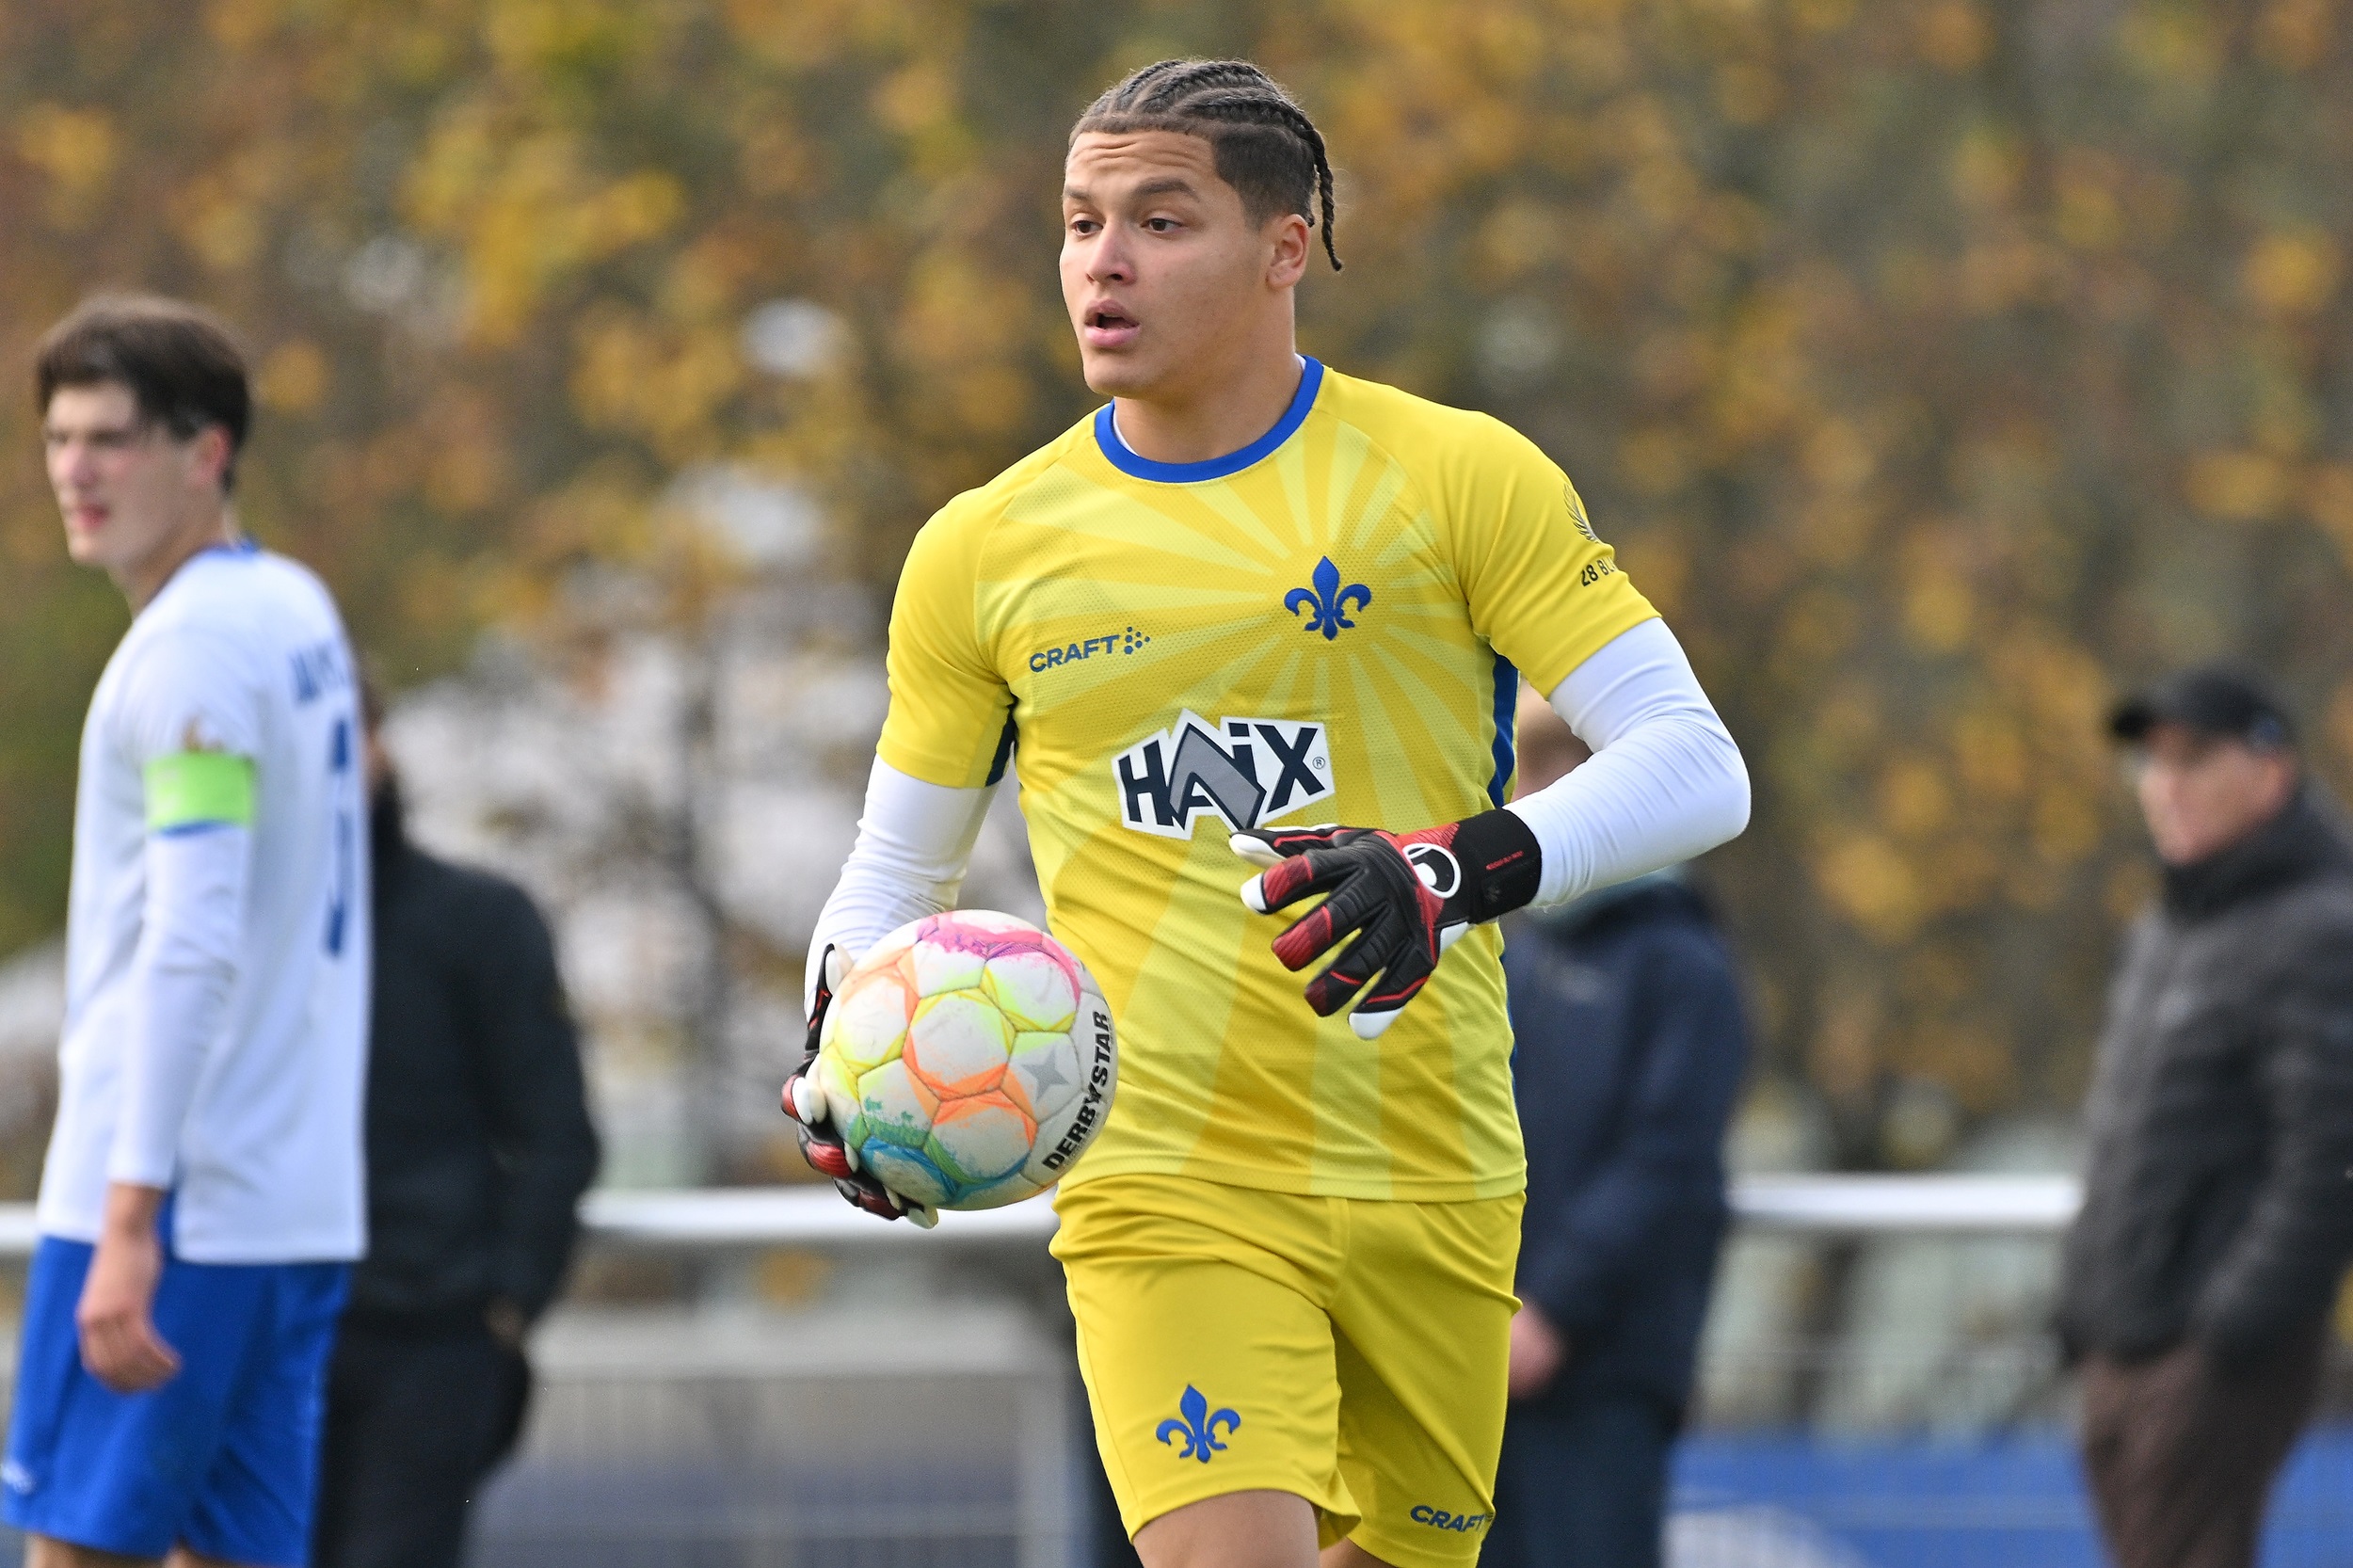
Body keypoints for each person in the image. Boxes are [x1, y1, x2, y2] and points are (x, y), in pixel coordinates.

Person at [782, 60, 1749, 1568]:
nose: (1104, 260)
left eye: (1161, 221)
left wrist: (1444, 873)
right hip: (1163, 1178)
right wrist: (839, 1056)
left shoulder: (1455, 477)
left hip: (1436, 1169)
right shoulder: (982, 550)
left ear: (1285, 248)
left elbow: (1696, 763)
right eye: (1080, 220)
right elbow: (891, 871)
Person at [6, 296, 370, 1567]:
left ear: (205, 450)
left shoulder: (192, 654)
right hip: (293, 1205)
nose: (76, 471)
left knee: (75, 1555)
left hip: (176, 1212)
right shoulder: (291, 606)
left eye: (110, 438)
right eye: (59, 439)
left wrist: (126, 1217)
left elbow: (194, 939)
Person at [2058, 663, 2353, 1568]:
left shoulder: (2318, 926)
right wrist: (2081, 1307)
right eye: (2150, 764)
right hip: (2123, 1342)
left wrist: (2230, 1333)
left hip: (2210, 1357)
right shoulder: (2167, 928)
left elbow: (2329, 1155)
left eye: (2192, 759)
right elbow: (2123, 1138)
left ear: (2271, 772)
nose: (2164, 786)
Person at [311, 689, 600, 1568]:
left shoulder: (477, 921)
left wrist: (508, 1304)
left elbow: (558, 1133)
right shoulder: (235, 932)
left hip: (431, 1336)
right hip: (269, 1327)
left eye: (345, 733)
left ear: (380, 743)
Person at [1481, 686, 1748, 1568]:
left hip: (1601, 1372)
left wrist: (1551, 1309)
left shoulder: (1682, 964)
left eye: (1552, 768)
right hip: (1486, 1360)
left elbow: (1665, 1161)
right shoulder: (1517, 948)